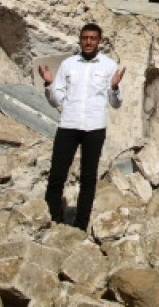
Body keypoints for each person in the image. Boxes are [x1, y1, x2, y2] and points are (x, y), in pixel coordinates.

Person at [39, 23, 124, 231]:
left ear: (100, 41)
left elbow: (116, 103)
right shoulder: (68, 65)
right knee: (57, 174)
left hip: (95, 127)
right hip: (69, 124)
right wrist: (49, 84)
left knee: (88, 177)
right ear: (80, 39)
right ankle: (52, 220)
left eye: (93, 38)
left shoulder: (109, 66)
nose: (88, 42)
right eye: (85, 38)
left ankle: (80, 226)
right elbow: (56, 100)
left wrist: (114, 87)